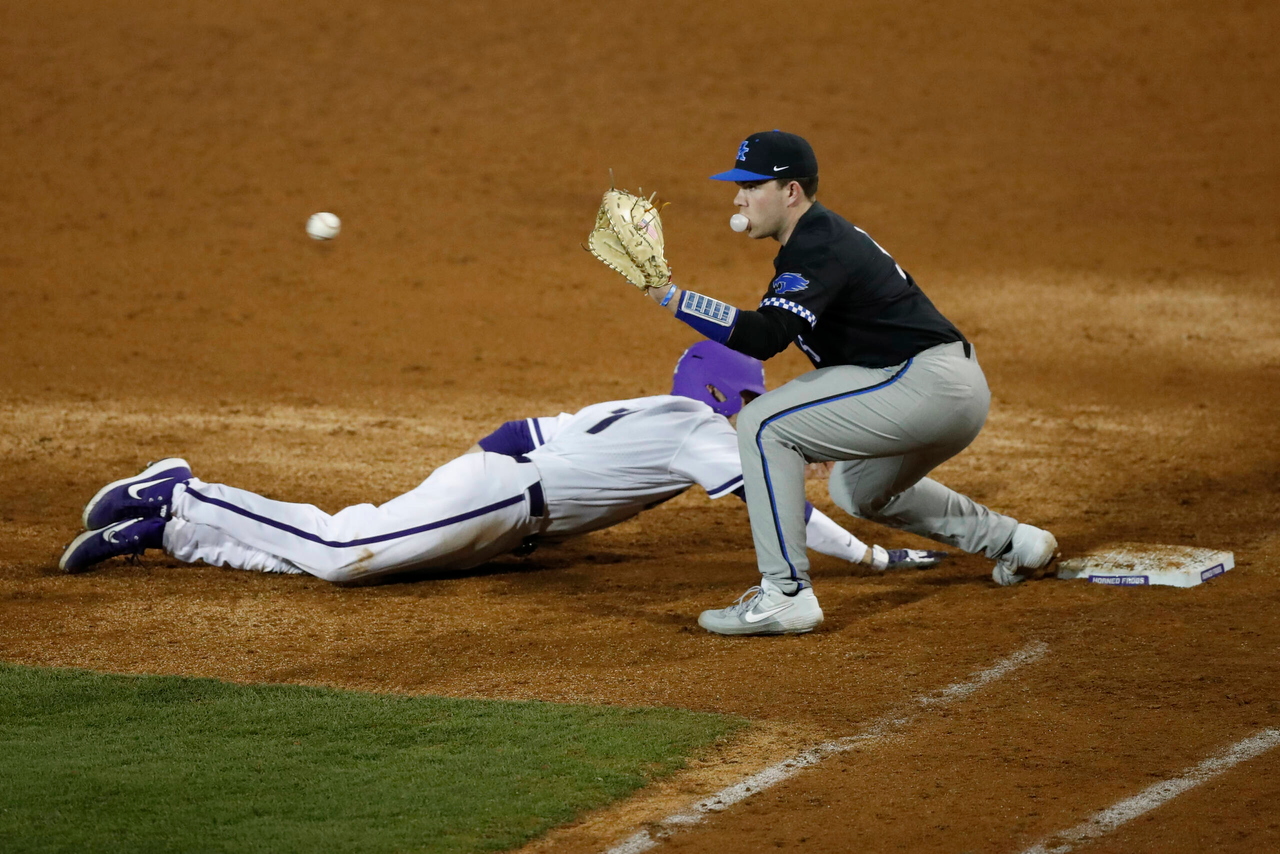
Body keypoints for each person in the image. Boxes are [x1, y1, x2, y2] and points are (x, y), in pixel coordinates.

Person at [59, 342, 947, 582]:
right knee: (340, 553)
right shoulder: (695, 429)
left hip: (507, 508)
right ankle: (180, 495)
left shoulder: (668, 414)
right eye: (751, 400)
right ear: (727, 399)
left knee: (344, 568)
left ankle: (176, 537)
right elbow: (779, 505)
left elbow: (523, 426)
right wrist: (871, 554)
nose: (760, 415)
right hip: (501, 498)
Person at [637, 131, 1058, 636]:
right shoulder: (817, 241)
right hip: (945, 389)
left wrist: (671, 296)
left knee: (762, 424)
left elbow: (766, 336)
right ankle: (1014, 543)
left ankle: (785, 592)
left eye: (751, 185)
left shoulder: (816, 245)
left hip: (924, 383)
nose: (737, 197)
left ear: (790, 191)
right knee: (860, 488)